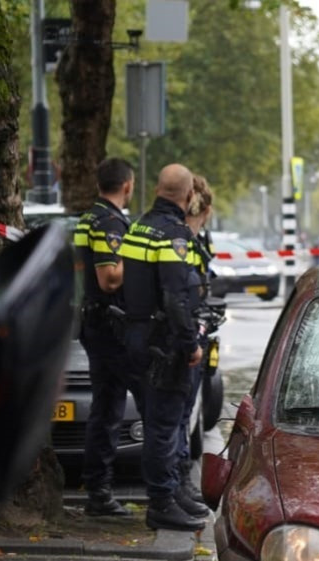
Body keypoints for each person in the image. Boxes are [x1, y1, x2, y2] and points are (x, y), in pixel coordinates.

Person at [118, 164, 208, 532]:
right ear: (188, 197)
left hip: (135, 338)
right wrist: (190, 344)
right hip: (165, 346)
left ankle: (170, 494)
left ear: (156, 189)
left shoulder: (137, 227)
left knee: (158, 422)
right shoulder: (173, 235)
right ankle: (161, 503)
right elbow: (174, 298)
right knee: (164, 426)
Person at [73, 157, 137, 517]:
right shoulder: (110, 222)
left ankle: (97, 488)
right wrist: (132, 253)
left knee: (105, 407)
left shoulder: (87, 218)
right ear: (127, 185)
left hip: (93, 323)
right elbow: (109, 279)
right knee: (117, 407)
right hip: (109, 327)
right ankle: (100, 491)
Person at [163, 174, 217, 520]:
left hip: (188, 333)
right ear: (204, 210)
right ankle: (178, 484)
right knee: (179, 417)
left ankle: (180, 484)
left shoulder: (193, 241)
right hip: (181, 338)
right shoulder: (184, 241)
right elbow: (182, 293)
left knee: (182, 416)